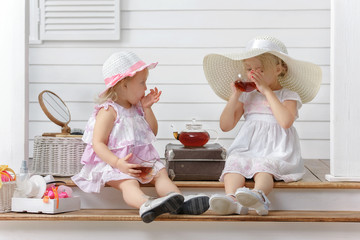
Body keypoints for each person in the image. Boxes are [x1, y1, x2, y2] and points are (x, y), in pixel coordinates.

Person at [72, 51, 209, 223]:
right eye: (142, 83)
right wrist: (117, 163)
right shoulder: (108, 111)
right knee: (129, 184)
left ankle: (177, 200)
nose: (146, 88)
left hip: (140, 161)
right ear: (123, 85)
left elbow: (152, 132)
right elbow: (98, 143)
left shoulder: (137, 108)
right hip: (116, 164)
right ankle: (146, 203)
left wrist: (147, 109)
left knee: (161, 174)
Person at [203, 36, 322, 215]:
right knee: (234, 163)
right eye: (249, 69)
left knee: (263, 167)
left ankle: (259, 196)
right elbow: (225, 125)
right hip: (248, 147)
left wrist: (266, 91)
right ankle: (232, 199)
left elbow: (285, 121)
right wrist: (234, 96)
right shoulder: (247, 95)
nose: (253, 74)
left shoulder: (287, 95)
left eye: (260, 69)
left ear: (278, 69)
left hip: (276, 150)